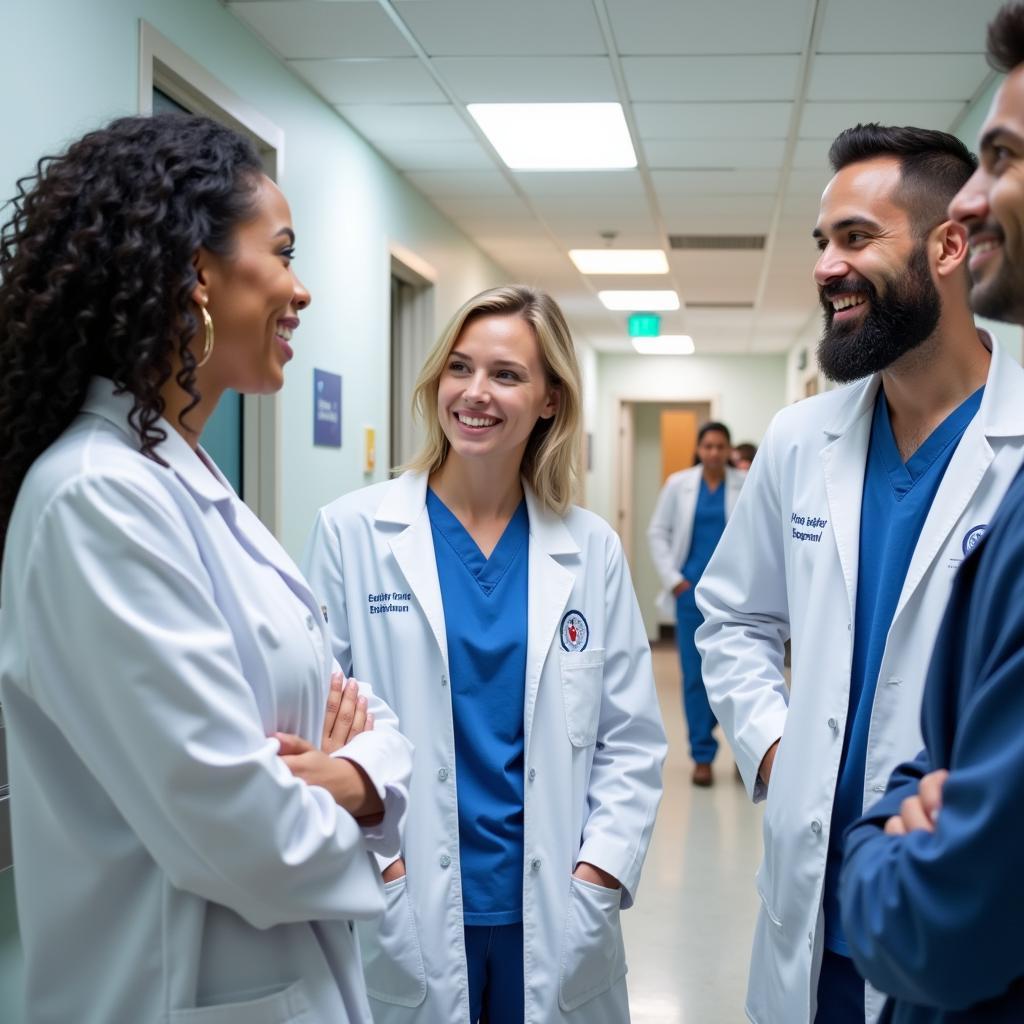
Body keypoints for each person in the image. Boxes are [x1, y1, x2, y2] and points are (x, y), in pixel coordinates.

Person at [0, 113, 412, 1024]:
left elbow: (356, 705)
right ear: (196, 272)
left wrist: (362, 775)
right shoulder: (93, 500)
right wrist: (373, 811)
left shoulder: (183, 479)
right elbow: (241, 835)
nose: (302, 291)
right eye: (283, 252)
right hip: (166, 990)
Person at [694, 123, 1024, 1024]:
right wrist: (774, 748)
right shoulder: (803, 439)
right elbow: (731, 620)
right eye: (821, 242)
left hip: (955, 924)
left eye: (855, 238)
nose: (825, 267)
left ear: (948, 246)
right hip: (813, 918)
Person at [303, 284, 667, 1024]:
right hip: (405, 905)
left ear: (549, 401)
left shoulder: (589, 548)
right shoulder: (351, 534)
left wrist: (598, 878)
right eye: (459, 368)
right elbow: (325, 731)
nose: (475, 393)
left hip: (558, 910)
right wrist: (389, 868)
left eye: (506, 374)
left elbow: (629, 743)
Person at [840, 6, 1024, 1020]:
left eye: (999, 157)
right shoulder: (808, 441)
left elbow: (944, 914)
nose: (973, 196)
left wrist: (869, 847)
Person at [647, 421, 745, 785]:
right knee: (695, 678)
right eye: (708, 446)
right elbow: (657, 531)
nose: (714, 453)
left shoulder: (745, 484)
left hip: (731, 597)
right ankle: (701, 756)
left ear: (729, 450)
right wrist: (675, 581)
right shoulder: (679, 485)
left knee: (736, 672)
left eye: (721, 447)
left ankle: (743, 750)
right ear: (699, 449)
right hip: (691, 597)